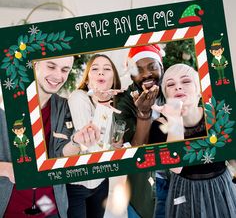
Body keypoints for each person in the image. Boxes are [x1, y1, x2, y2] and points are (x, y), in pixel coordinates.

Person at [0, 56, 99, 218]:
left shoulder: (63, 107)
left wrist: (76, 141)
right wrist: (7, 169)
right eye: (51, 66)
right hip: (9, 209)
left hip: (50, 208)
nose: (58, 76)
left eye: (64, 70)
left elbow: (62, 153)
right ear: (35, 64)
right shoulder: (5, 103)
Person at [151, 63, 236, 217]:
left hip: (221, 187)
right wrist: (175, 119)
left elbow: (232, 158)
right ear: (166, 94)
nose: (178, 87)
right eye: (171, 84)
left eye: (186, 81)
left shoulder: (217, 116)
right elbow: (176, 166)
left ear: (199, 91)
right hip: (184, 191)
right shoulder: (160, 125)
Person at [63, 54, 123, 218]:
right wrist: (103, 105)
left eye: (106, 69)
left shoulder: (111, 103)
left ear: (113, 79)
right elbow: (90, 146)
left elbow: (106, 146)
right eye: (95, 69)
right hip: (76, 185)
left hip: (101, 181)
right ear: (88, 79)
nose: (101, 73)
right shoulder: (79, 98)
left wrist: (115, 145)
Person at [115, 44, 166, 218]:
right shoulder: (122, 103)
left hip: (177, 184)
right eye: (139, 70)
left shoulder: (174, 89)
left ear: (162, 67)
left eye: (152, 67)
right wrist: (143, 114)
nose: (146, 75)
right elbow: (135, 149)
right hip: (141, 189)